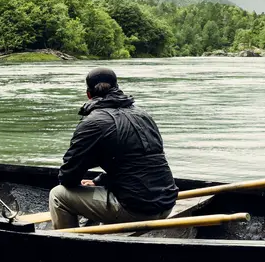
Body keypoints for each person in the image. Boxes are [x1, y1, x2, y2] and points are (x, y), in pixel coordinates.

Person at [49, 67, 178, 229]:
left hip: (137, 210)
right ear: (117, 88)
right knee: (98, 189)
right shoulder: (143, 115)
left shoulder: (93, 123)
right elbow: (137, 164)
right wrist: (98, 182)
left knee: (58, 195)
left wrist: (85, 183)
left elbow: (67, 177)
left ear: (89, 95)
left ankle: (67, 248)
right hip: (166, 203)